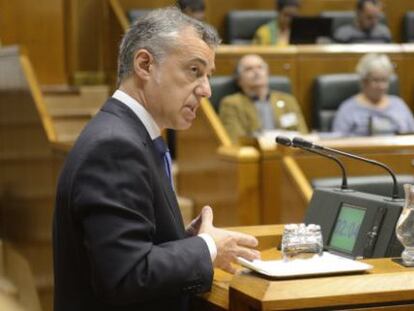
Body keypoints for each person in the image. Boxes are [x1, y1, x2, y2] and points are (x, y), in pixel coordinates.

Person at [53, 7, 260, 311]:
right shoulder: (114, 146)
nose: (206, 90)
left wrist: (182, 239)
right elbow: (127, 275)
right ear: (145, 64)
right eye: (194, 71)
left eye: (208, 76)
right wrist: (208, 248)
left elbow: (130, 245)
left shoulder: (130, 135)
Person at [219, 54, 308, 144]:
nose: (256, 72)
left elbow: (303, 135)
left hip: (288, 153)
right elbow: (236, 140)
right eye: (249, 69)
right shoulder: (231, 103)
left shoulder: (288, 100)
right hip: (254, 155)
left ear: (267, 73)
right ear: (239, 80)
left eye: (260, 67)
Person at [332, 53, 414, 136]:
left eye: (384, 80)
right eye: (376, 80)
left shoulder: (399, 104)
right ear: (364, 81)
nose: (381, 86)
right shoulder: (348, 108)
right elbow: (337, 141)